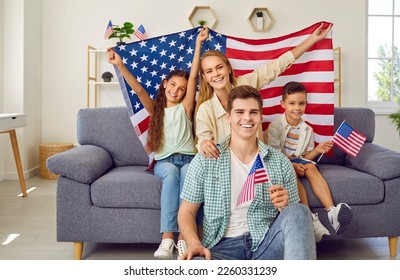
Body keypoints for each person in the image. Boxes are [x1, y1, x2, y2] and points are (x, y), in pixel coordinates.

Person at [178, 85, 316, 260]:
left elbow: (294, 223)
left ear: (260, 117)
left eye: (253, 112)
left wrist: (284, 207)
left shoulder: (280, 162)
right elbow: (186, 213)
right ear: (228, 116)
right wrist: (194, 243)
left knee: (299, 211)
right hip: (220, 249)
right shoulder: (206, 159)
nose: (247, 118)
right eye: (240, 112)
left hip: (265, 244)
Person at [107, 27, 209, 259]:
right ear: (165, 84)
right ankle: (167, 239)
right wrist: (119, 65)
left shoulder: (186, 108)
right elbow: (139, 89)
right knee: (172, 173)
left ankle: (185, 238)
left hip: (189, 159)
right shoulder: (156, 110)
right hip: (164, 161)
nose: (177, 90)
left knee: (187, 177)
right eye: (173, 85)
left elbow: (194, 76)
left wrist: (198, 45)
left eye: (181, 89)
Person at [196, 22, 333, 159]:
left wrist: (312, 39)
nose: (216, 74)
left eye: (219, 67)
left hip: (258, 160)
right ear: (205, 77)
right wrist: (204, 144)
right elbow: (203, 139)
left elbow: (277, 65)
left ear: (228, 68)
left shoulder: (246, 83)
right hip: (227, 164)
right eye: (209, 71)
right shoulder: (206, 109)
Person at [267, 81, 352, 242]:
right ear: (282, 104)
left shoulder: (307, 129)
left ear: (306, 104)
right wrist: (292, 165)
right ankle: (309, 218)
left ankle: (332, 211)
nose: (297, 108)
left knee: (312, 169)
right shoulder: (275, 127)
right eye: (292, 103)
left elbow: (305, 156)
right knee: (292, 171)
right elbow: (274, 154)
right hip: (281, 162)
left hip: (299, 160)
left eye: (301, 103)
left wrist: (317, 150)